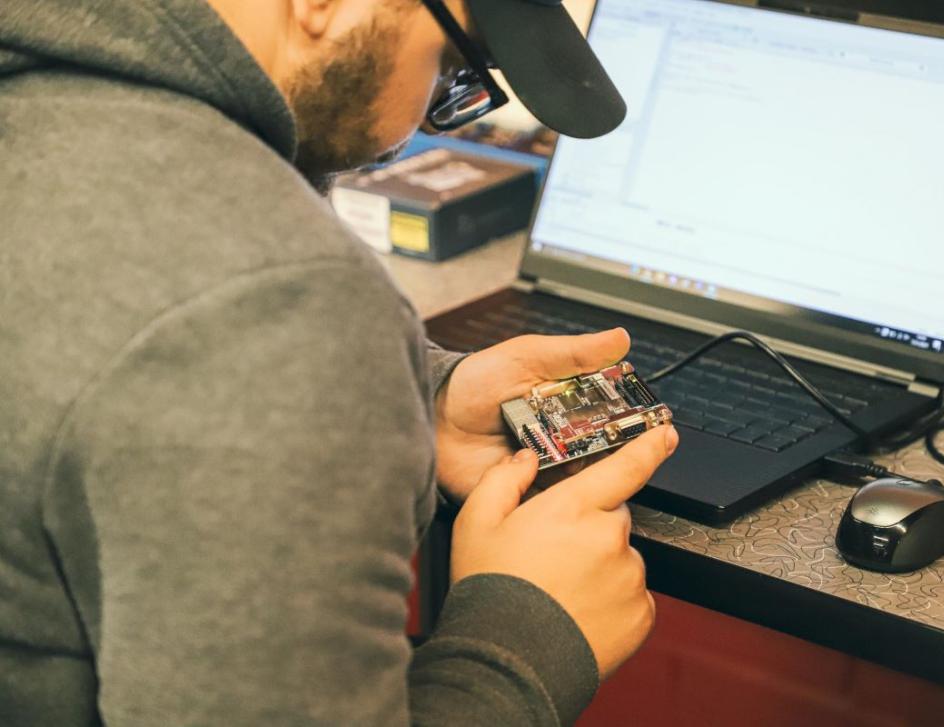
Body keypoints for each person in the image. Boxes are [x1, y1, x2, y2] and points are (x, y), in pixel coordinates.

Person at [0, 0, 678, 724]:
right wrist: (526, 637)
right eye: (450, 67)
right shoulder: (275, 294)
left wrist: (412, 398)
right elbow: (220, 317)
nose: (419, 122)